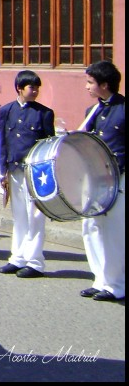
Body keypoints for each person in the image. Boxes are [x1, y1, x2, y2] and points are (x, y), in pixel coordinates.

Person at [0, 70, 54, 277]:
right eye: (32, 87)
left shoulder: (44, 113)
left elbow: (49, 146)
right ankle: (17, 257)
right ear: (19, 88)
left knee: (35, 217)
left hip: (36, 172)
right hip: (14, 170)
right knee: (19, 216)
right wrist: (3, 171)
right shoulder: (6, 111)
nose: (36, 91)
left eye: (38, 87)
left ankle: (35, 261)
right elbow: (3, 142)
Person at [76, 60, 124, 302]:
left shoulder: (124, 109)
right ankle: (100, 279)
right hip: (95, 178)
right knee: (92, 227)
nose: (87, 87)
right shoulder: (92, 112)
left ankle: (117, 284)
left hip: (119, 178)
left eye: (90, 82)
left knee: (114, 232)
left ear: (104, 84)